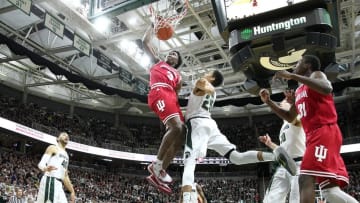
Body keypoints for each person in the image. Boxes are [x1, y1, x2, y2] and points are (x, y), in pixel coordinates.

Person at [181, 70, 297, 203]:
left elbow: (201, 85)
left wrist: (204, 84)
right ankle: (274, 156)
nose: (205, 74)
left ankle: (187, 199)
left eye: (208, 73)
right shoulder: (209, 91)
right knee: (236, 157)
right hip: (209, 124)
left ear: (212, 77)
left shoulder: (204, 83)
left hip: (197, 124)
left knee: (189, 162)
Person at [259, 54, 358, 203]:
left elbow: (327, 87)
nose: (295, 66)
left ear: (307, 65)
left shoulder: (317, 74)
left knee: (304, 178)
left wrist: (292, 75)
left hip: (324, 131)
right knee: (329, 191)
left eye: (298, 63)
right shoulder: (300, 90)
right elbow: (290, 117)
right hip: (314, 136)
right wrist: (269, 102)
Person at [142, 25, 186, 194]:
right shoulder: (158, 62)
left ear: (177, 62)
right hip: (159, 91)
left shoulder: (178, 76)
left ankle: (159, 173)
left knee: (181, 134)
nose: (171, 54)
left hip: (171, 98)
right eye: (170, 52)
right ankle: (156, 164)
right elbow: (145, 42)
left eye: (174, 54)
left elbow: (176, 94)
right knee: (176, 127)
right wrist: (153, 27)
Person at [259, 99, 306, 203]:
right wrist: (270, 143)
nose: (280, 103)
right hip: (284, 164)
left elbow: (295, 114)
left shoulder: (297, 119)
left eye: (283, 102)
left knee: (296, 200)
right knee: (270, 199)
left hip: (299, 164)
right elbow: (284, 148)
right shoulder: (283, 126)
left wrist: (294, 102)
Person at [36, 132, 75, 203]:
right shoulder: (53, 148)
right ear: (58, 139)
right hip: (50, 180)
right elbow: (41, 164)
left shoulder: (66, 155)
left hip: (59, 185)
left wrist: (72, 191)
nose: (66, 136)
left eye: (67, 136)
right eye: (63, 135)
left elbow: (65, 176)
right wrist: (45, 168)